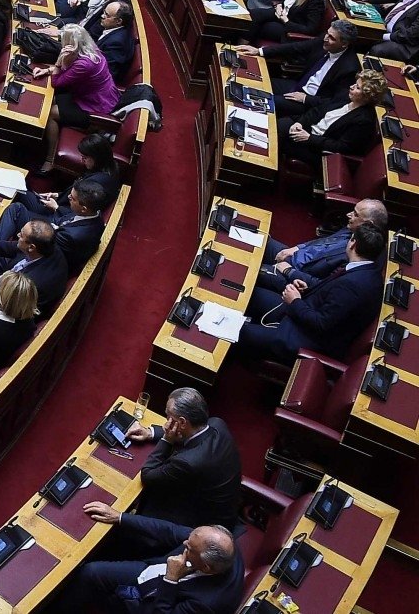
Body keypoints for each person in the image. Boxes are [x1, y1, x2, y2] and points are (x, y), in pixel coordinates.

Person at [238, 221, 386, 364]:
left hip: (302, 337)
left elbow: (321, 324)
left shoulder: (352, 286)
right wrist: (306, 289)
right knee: (251, 293)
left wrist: (295, 301)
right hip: (303, 309)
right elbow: (331, 293)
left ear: (353, 243)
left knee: (238, 330)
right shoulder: (368, 271)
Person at [118, 388, 242, 535]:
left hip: (203, 525)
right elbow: (191, 436)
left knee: (147, 497)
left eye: (168, 416)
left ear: (182, 423)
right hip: (224, 505)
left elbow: (148, 475)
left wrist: (166, 439)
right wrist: (151, 433)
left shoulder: (187, 462)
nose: (166, 421)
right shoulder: (217, 424)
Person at [61, 516, 243, 614]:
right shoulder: (222, 546)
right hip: (148, 572)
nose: (185, 543)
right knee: (90, 572)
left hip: (152, 599)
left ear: (205, 567)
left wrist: (171, 579)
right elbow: (169, 530)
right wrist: (120, 517)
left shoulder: (206, 605)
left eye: (189, 547)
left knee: (103, 597)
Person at [33, 24, 120, 172]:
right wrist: (47, 70)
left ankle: (50, 159)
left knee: (50, 114)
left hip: (96, 107)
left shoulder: (84, 64)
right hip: (93, 96)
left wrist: (59, 62)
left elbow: (57, 82)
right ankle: (37, 140)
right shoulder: (92, 50)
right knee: (48, 101)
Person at [281, 68, 385, 166]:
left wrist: (309, 138)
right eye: (355, 83)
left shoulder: (363, 120)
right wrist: (300, 123)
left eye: (357, 87)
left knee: (279, 139)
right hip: (307, 130)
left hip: (317, 148)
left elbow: (341, 146)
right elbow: (318, 110)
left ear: (367, 96)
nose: (351, 87)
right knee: (278, 124)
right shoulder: (346, 96)